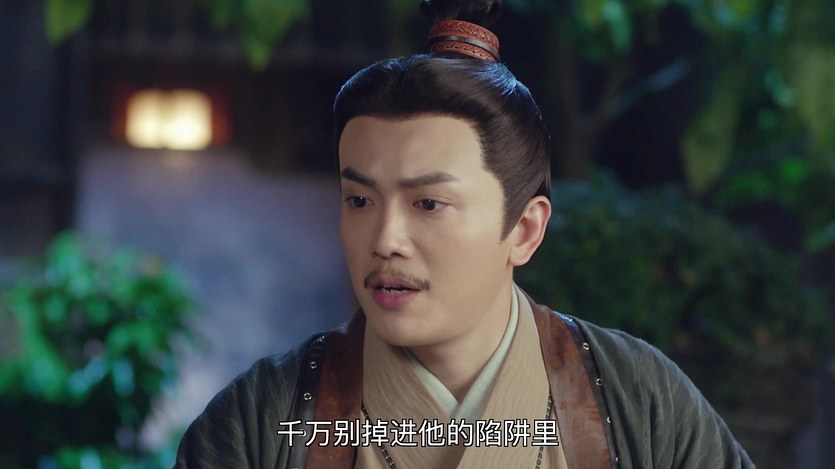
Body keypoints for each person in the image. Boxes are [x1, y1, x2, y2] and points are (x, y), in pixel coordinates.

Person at [174, 0, 754, 467]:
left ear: (525, 229)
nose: (385, 239)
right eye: (360, 200)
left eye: (428, 203)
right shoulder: (263, 417)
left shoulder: (635, 398)